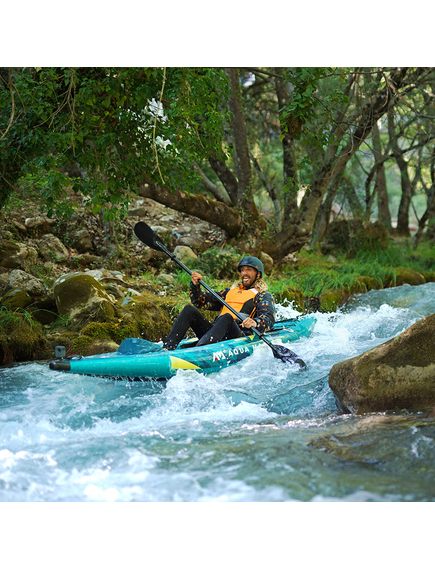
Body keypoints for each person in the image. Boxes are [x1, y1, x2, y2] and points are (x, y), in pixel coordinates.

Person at [163, 256, 275, 350]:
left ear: (258, 274)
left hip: (237, 336)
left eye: (248, 270)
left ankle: (200, 352)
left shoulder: (262, 295)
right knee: (189, 310)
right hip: (215, 333)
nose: (244, 273)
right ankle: (168, 347)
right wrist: (195, 286)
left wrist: (255, 322)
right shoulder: (228, 292)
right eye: (242, 270)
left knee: (227, 317)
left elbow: (268, 319)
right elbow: (200, 301)